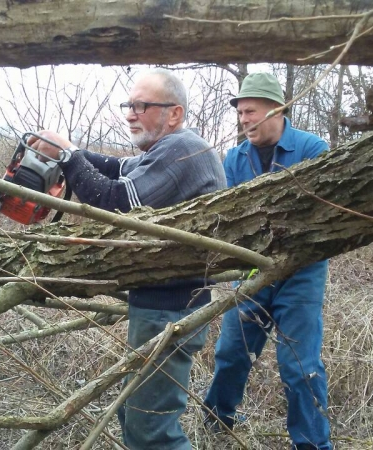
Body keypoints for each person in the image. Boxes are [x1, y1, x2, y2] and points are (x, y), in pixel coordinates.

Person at [28, 68, 226, 450]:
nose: (130, 114)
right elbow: (116, 169)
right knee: (134, 418)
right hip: (161, 306)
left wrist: (69, 156)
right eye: (128, 105)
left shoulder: (183, 150)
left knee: (152, 432)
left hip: (170, 311)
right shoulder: (166, 150)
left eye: (141, 106)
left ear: (174, 113)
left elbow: (116, 203)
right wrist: (65, 150)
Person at [203, 72, 332, 450]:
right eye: (240, 113)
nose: (243, 120)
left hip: (301, 272)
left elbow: (317, 214)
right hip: (252, 269)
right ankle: (218, 420)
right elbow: (230, 217)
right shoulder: (235, 157)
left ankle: (312, 444)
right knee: (231, 352)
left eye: (251, 111)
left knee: (300, 365)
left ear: (277, 109)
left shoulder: (312, 149)